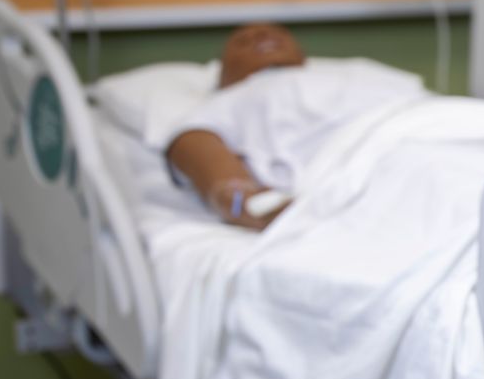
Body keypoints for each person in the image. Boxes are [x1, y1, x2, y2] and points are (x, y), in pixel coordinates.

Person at [164, 23, 427, 229]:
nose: (262, 35)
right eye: (243, 41)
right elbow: (212, 168)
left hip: (434, 132)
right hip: (367, 168)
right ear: (223, 75)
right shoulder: (227, 102)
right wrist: (252, 206)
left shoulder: (363, 75)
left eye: (276, 34)